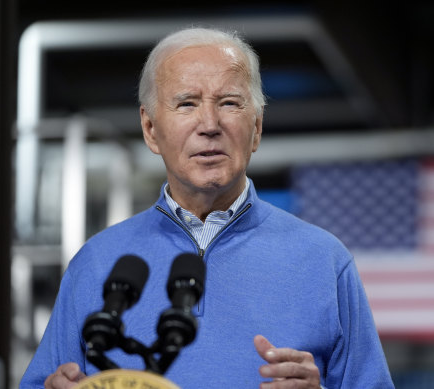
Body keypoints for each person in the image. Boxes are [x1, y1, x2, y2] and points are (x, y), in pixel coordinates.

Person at [20, 27, 394, 388]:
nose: (210, 125)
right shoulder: (96, 262)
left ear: (257, 129)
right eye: (187, 103)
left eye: (229, 103)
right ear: (151, 129)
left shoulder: (325, 261)